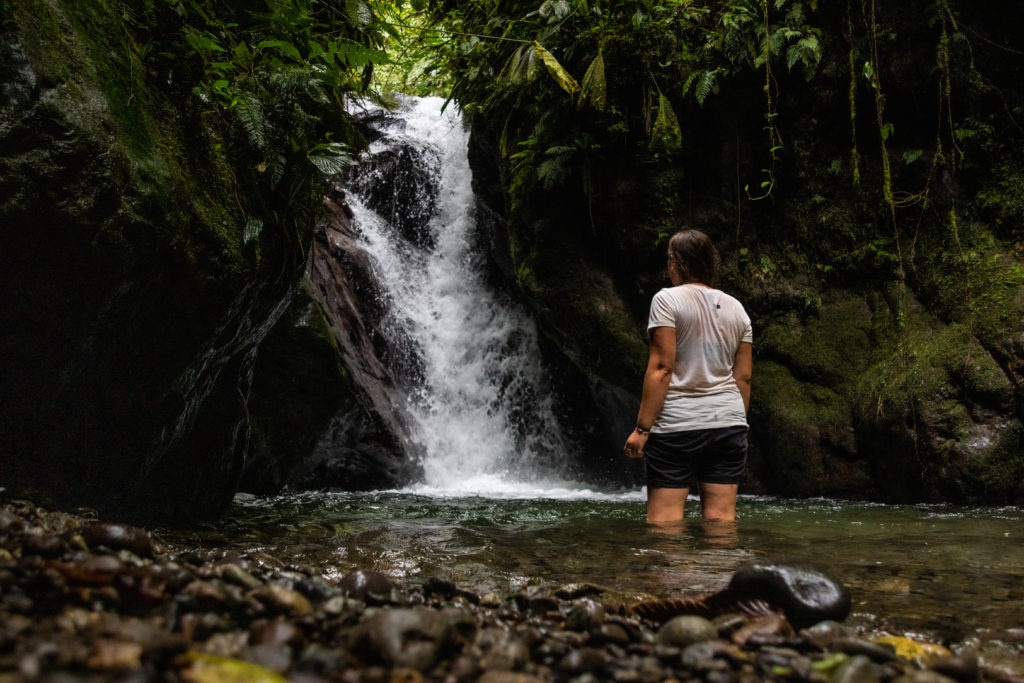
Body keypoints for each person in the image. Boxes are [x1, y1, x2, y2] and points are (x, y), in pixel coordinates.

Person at [624, 229, 753, 523]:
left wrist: (642, 430)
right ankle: (722, 570)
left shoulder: (667, 300)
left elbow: (662, 367)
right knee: (721, 520)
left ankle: (671, 567)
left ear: (674, 262)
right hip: (729, 424)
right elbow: (742, 378)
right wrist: (734, 422)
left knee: (665, 521)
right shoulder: (738, 309)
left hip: (677, 425)